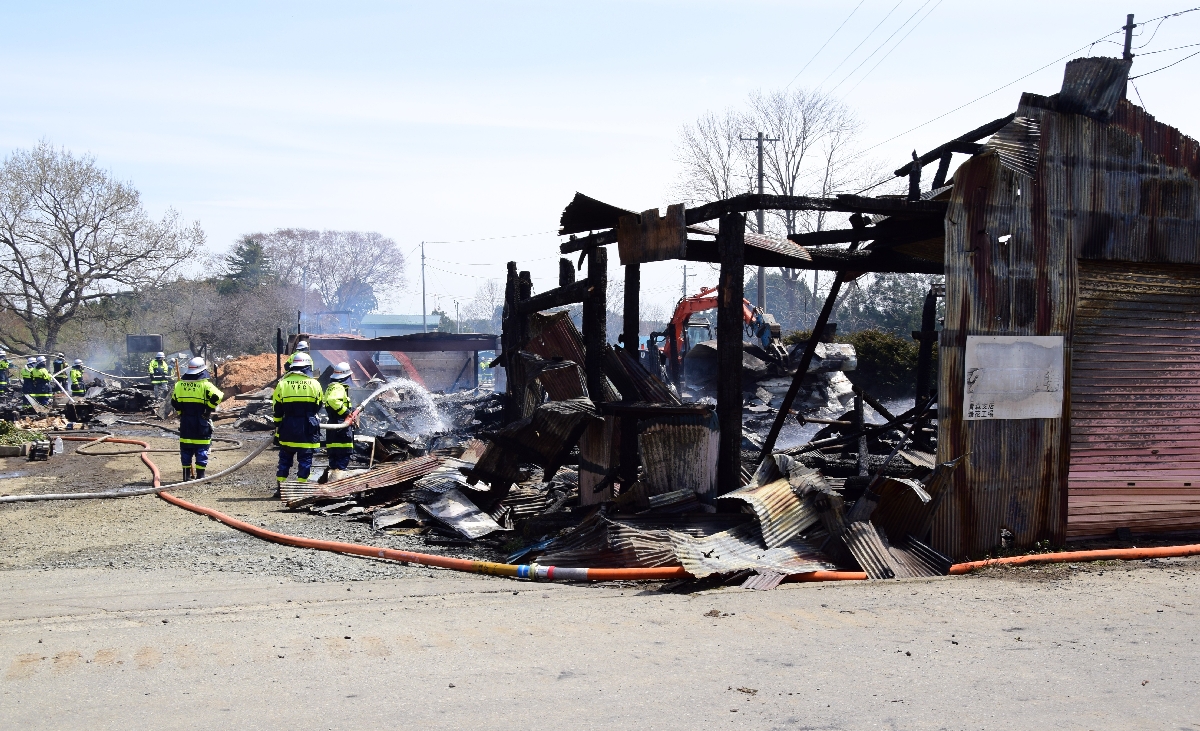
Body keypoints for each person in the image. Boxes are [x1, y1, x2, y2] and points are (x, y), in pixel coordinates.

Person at [272, 351, 323, 491]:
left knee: (284, 460)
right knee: (305, 461)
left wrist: (278, 426)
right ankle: (301, 489)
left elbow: (277, 409)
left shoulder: (282, 384)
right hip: (307, 428)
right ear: (308, 367)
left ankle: (280, 489)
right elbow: (318, 405)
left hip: (287, 427)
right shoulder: (315, 384)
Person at [170, 357, 223, 481]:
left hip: (186, 422)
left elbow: (174, 401)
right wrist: (208, 410)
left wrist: (181, 412)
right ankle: (201, 476)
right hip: (201, 421)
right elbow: (218, 396)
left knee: (186, 449)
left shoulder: (179, 385)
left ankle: (186, 476)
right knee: (202, 448)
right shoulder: (205, 385)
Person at [322, 361, 355, 482]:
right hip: (340, 424)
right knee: (343, 452)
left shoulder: (331, 387)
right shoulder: (338, 387)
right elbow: (332, 400)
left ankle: (333, 479)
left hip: (334, 424)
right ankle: (339, 482)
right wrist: (346, 412)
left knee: (334, 454)